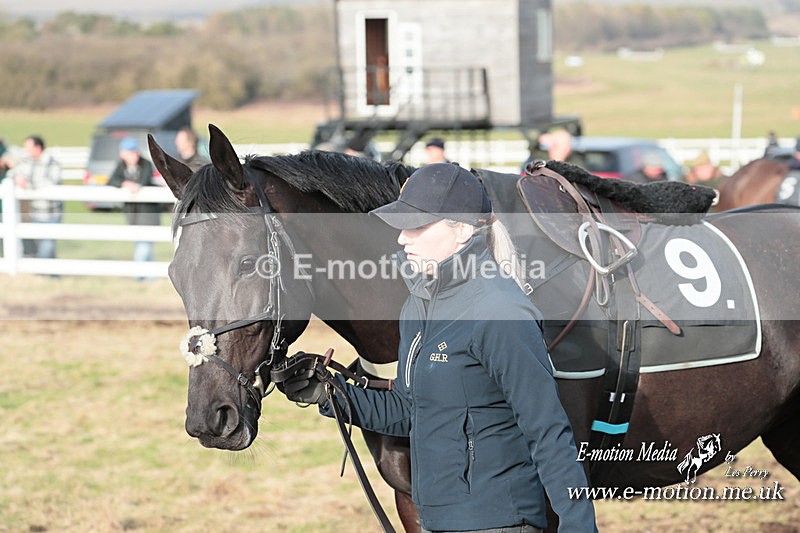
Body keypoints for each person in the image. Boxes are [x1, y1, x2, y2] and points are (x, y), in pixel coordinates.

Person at [279, 163, 597, 532]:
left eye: (417, 226)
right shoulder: (417, 304)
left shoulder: (500, 312)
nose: (401, 238)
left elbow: (548, 431)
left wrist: (578, 526)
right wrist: (329, 394)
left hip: (499, 521)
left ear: (462, 230)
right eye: (401, 226)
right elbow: (413, 410)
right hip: (435, 520)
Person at [107, 136, 161, 269]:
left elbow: (144, 181)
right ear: (123, 154)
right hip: (133, 213)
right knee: (142, 244)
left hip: (148, 213)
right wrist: (124, 183)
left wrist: (134, 185)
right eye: (129, 152)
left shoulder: (146, 164)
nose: (133, 155)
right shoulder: (121, 166)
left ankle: (138, 274)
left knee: (144, 244)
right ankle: (150, 277)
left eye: (134, 151)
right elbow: (111, 180)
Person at [7, 135, 63, 259]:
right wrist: (17, 178)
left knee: (47, 244)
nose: (26, 151)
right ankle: (53, 275)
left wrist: (27, 184)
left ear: (38, 147)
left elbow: (51, 181)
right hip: (35, 210)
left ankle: (43, 272)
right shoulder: (27, 161)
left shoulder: (52, 162)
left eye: (29, 147)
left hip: (51, 211)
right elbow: (12, 174)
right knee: (43, 243)